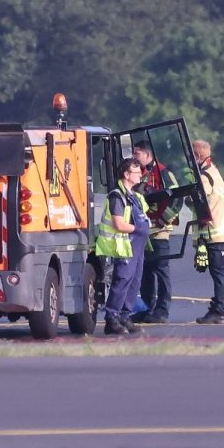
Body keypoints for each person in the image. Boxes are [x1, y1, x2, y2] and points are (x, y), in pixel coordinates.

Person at [95, 157, 151, 335]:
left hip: (138, 246)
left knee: (135, 281)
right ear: (126, 175)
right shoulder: (117, 196)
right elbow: (118, 224)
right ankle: (112, 318)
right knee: (122, 280)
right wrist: (138, 228)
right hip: (125, 244)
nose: (140, 176)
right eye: (136, 172)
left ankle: (125, 316)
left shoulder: (136, 196)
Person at [131, 140, 181, 324]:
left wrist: (162, 219)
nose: (134, 157)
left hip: (159, 232)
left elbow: (177, 199)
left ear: (147, 154)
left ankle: (162, 310)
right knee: (144, 273)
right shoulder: (139, 174)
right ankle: (146, 308)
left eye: (137, 154)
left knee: (161, 271)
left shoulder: (164, 173)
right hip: (143, 232)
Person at [191, 140, 224, 325]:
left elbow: (200, 203)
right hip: (219, 233)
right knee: (219, 272)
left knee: (219, 273)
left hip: (216, 234)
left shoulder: (205, 176)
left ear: (197, 156)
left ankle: (220, 310)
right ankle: (220, 308)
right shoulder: (213, 171)